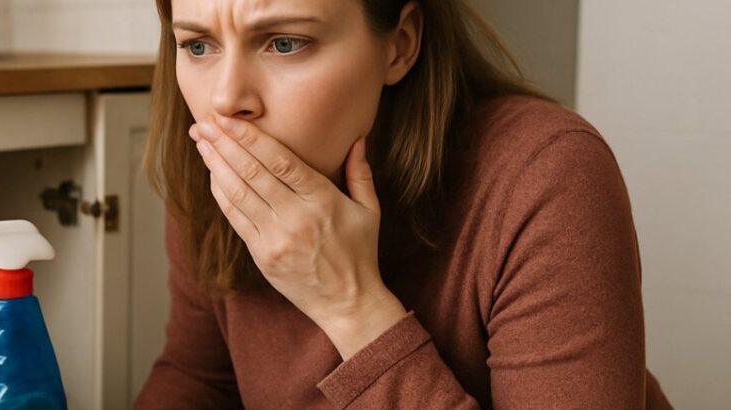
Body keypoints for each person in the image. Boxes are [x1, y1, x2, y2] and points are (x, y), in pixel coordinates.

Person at [136, 0, 673, 408]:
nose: (226, 99)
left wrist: (352, 306)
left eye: (285, 42)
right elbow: (199, 379)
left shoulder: (545, 171)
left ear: (400, 45)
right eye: (198, 46)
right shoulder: (215, 168)